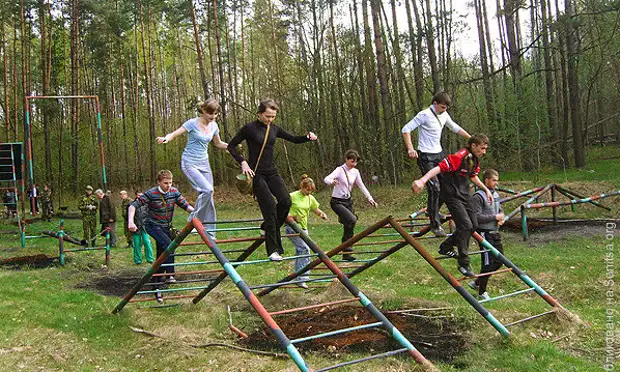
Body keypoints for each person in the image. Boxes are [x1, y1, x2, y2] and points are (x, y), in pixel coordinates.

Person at [228, 99, 317, 261]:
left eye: (273, 117)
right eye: (267, 116)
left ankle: (266, 227)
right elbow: (231, 146)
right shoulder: (249, 128)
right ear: (259, 113)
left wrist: (307, 137)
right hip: (256, 174)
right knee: (269, 206)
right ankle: (272, 250)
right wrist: (242, 161)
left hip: (272, 172)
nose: (270, 119)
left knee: (285, 202)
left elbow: (293, 139)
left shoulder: (274, 128)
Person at [412, 134, 492, 277]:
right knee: (465, 225)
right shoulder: (459, 156)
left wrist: (486, 189)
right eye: (482, 148)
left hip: (465, 194)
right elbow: (438, 168)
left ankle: (446, 246)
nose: (484, 151)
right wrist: (422, 180)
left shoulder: (474, 158)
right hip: (452, 195)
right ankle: (463, 263)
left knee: (473, 225)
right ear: (473, 146)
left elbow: (472, 175)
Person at [156, 98, 228, 238]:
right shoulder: (192, 123)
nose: (212, 117)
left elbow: (218, 143)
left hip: (204, 163)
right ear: (203, 111)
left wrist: (231, 147)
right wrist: (166, 138)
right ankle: (195, 220)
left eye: (215, 114)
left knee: (209, 196)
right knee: (207, 190)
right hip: (189, 162)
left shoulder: (214, 126)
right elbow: (176, 133)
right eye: (210, 114)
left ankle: (210, 232)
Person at [402, 92, 471, 237]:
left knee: (446, 186)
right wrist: (410, 148)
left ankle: (431, 210)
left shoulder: (444, 115)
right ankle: (435, 224)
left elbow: (454, 127)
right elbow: (406, 129)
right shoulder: (424, 114)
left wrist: (471, 138)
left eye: (446, 108)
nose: (444, 110)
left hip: (439, 154)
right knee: (434, 187)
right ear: (435, 103)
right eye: (442, 107)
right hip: (425, 156)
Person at [127, 170, 194, 302]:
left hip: (166, 226)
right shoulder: (151, 194)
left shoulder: (174, 192)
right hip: (152, 225)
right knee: (170, 245)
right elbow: (133, 206)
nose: (168, 186)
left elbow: (185, 206)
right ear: (158, 182)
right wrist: (130, 221)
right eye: (165, 183)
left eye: (170, 182)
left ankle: (156, 282)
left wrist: (196, 213)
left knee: (162, 253)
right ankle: (169, 275)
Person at [324, 149, 378, 261]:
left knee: (349, 225)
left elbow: (361, 186)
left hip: (347, 201)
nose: (354, 164)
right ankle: (347, 247)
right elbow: (326, 178)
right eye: (352, 161)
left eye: (356, 162)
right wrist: (331, 182)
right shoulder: (339, 170)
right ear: (346, 159)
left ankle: (346, 253)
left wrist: (370, 198)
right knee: (352, 219)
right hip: (337, 201)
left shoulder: (355, 172)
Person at [284, 175, 328, 288]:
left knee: (301, 251)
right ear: (302, 187)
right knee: (305, 249)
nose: (309, 192)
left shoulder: (310, 198)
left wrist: (321, 214)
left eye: (311, 191)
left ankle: (299, 276)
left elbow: (315, 208)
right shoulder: (292, 196)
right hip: (292, 227)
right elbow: (282, 211)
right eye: (307, 190)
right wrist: (293, 217)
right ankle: (302, 278)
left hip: (303, 228)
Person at [468, 169, 505, 301]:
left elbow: (499, 209)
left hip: (495, 232)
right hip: (483, 233)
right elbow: (476, 217)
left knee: (500, 260)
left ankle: (477, 282)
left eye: (497, 180)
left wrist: (501, 217)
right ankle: (481, 293)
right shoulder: (478, 197)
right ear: (486, 180)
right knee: (487, 263)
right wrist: (495, 217)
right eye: (494, 180)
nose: (496, 183)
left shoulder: (496, 195)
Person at [131, 191, 154, 265]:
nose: (140, 197)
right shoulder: (132, 205)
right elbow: (128, 217)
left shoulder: (147, 205)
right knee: (137, 244)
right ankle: (137, 260)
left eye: (141, 195)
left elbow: (150, 215)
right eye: (138, 195)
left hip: (145, 226)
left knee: (147, 242)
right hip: (136, 227)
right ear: (136, 196)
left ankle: (150, 259)